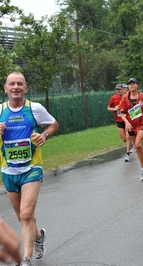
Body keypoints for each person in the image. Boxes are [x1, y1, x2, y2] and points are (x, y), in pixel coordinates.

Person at [0, 72, 59, 266]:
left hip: (31, 168)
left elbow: (53, 124)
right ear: (6, 89)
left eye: (20, 84)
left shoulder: (34, 108)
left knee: (26, 214)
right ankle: (39, 235)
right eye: (12, 84)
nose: (16, 87)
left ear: (25, 88)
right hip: (8, 170)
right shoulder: (0, 110)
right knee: (22, 216)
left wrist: (45, 135)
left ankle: (26, 258)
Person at [119, 77, 143, 181]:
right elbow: (121, 112)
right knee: (138, 148)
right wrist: (127, 123)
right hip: (131, 125)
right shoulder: (125, 98)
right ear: (128, 86)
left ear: (137, 85)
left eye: (133, 83)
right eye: (130, 84)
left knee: (138, 144)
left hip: (142, 123)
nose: (132, 85)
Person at [107, 83, 134, 162]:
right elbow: (108, 108)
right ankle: (132, 144)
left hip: (127, 120)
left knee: (128, 137)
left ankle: (127, 154)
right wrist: (115, 109)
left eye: (119, 89)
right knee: (124, 139)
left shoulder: (127, 97)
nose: (118, 91)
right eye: (117, 89)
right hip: (119, 120)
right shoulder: (113, 98)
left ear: (123, 89)